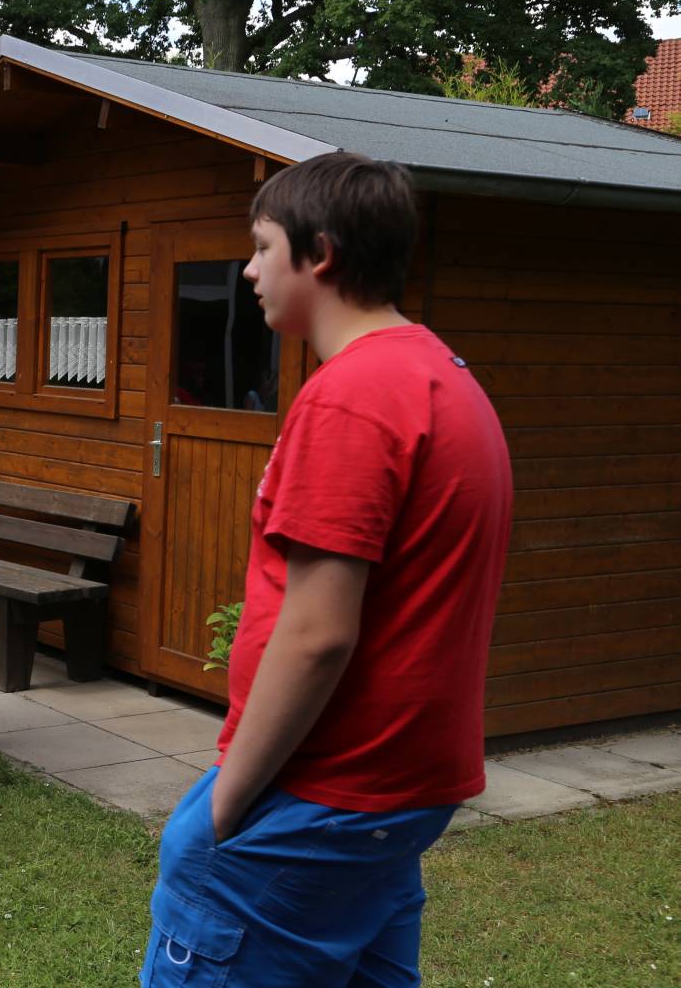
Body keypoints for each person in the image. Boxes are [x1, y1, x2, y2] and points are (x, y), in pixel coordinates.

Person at [140, 153, 513, 986]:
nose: (248, 270)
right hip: (394, 792)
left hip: (320, 790)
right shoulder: (442, 376)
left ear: (321, 253)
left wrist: (226, 806)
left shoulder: (354, 396)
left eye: (262, 245)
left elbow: (316, 635)